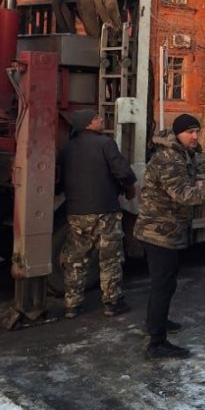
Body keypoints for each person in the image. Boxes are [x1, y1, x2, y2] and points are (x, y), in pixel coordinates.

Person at [134, 114, 205, 360]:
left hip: (168, 229)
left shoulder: (182, 154)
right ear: (177, 134)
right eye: (189, 132)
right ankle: (156, 343)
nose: (194, 136)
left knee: (166, 283)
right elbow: (183, 194)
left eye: (197, 131)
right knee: (163, 285)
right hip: (159, 231)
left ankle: (157, 322)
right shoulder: (169, 158)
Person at [59, 109, 137, 319]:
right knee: (110, 259)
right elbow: (123, 172)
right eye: (96, 118)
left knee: (76, 259)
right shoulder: (105, 144)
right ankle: (112, 303)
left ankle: (72, 305)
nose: (101, 119)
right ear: (87, 125)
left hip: (76, 212)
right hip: (105, 211)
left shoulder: (66, 149)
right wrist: (130, 187)